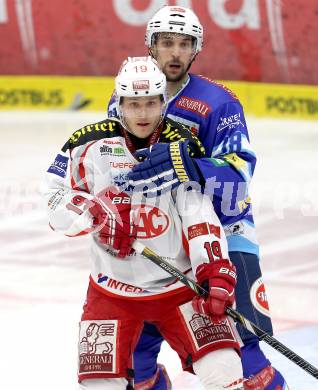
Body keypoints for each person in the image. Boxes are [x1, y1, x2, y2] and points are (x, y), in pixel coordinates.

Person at [108, 6, 288, 390]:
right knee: (135, 362)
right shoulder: (127, 93)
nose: (174, 52)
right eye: (166, 42)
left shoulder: (218, 103)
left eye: (184, 44)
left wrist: (187, 165)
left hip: (223, 236)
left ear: (197, 49)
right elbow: (113, 166)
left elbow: (238, 175)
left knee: (249, 361)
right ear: (150, 46)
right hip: (157, 239)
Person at [44, 56, 244, 390]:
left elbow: (199, 215)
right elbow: (51, 197)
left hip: (181, 287)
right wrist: (96, 212)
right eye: (133, 104)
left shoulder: (182, 146)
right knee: (99, 386)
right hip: (111, 291)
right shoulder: (87, 144)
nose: (142, 113)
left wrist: (215, 269)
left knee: (225, 369)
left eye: (151, 103)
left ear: (163, 103)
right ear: (119, 103)